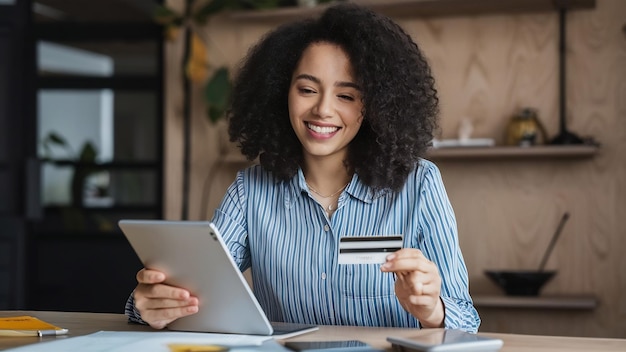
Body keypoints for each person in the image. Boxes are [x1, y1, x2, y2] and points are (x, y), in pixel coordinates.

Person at [125, 2, 481, 333]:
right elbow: (196, 293)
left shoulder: (419, 184)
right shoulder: (250, 191)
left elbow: (466, 320)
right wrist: (152, 305)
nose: (323, 110)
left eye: (346, 95)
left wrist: (432, 310)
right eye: (307, 89)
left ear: (375, 107)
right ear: (282, 93)